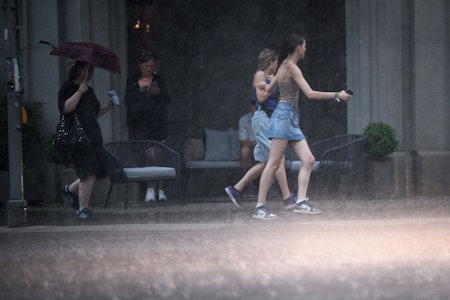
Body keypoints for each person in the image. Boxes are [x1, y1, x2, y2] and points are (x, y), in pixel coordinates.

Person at [253, 33, 352, 220]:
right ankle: (260, 207)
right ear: (298, 47)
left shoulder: (283, 65)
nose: (306, 49)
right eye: (304, 45)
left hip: (290, 119)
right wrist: (337, 95)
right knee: (273, 163)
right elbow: (310, 94)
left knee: (308, 159)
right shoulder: (291, 68)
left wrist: (261, 85)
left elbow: (268, 89)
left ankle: (301, 202)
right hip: (283, 118)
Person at [225, 48, 296, 210]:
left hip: (271, 119)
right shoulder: (259, 75)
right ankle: (287, 198)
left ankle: (235, 189)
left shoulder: (271, 77)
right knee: (278, 158)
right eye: (276, 63)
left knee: (266, 163)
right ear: (270, 62)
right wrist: (273, 83)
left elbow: (277, 101)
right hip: (262, 117)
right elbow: (261, 98)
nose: (277, 67)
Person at [60, 61, 114, 220]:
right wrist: (80, 91)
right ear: (79, 70)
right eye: (88, 70)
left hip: (94, 136)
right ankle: (83, 210)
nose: (90, 73)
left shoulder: (90, 90)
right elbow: (66, 108)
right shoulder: (68, 87)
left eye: (92, 70)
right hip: (78, 138)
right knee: (88, 171)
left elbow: (92, 113)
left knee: (98, 171)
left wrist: (107, 107)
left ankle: (69, 189)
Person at [125, 51, 171, 202]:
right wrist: (141, 92)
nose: (149, 69)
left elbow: (167, 99)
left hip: (158, 122)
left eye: (151, 66)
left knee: (159, 155)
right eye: (146, 66)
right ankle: (150, 189)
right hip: (142, 123)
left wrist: (157, 93)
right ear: (140, 66)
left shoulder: (159, 79)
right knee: (147, 156)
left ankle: (161, 189)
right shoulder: (133, 81)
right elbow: (129, 102)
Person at [238, 100, 257, 169]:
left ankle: (269, 179)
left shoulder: (269, 118)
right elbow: (243, 142)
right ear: (251, 106)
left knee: (272, 152)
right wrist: (255, 143)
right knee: (244, 151)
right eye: (254, 105)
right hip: (251, 148)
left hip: (266, 147)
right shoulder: (244, 119)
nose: (256, 107)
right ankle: (247, 178)